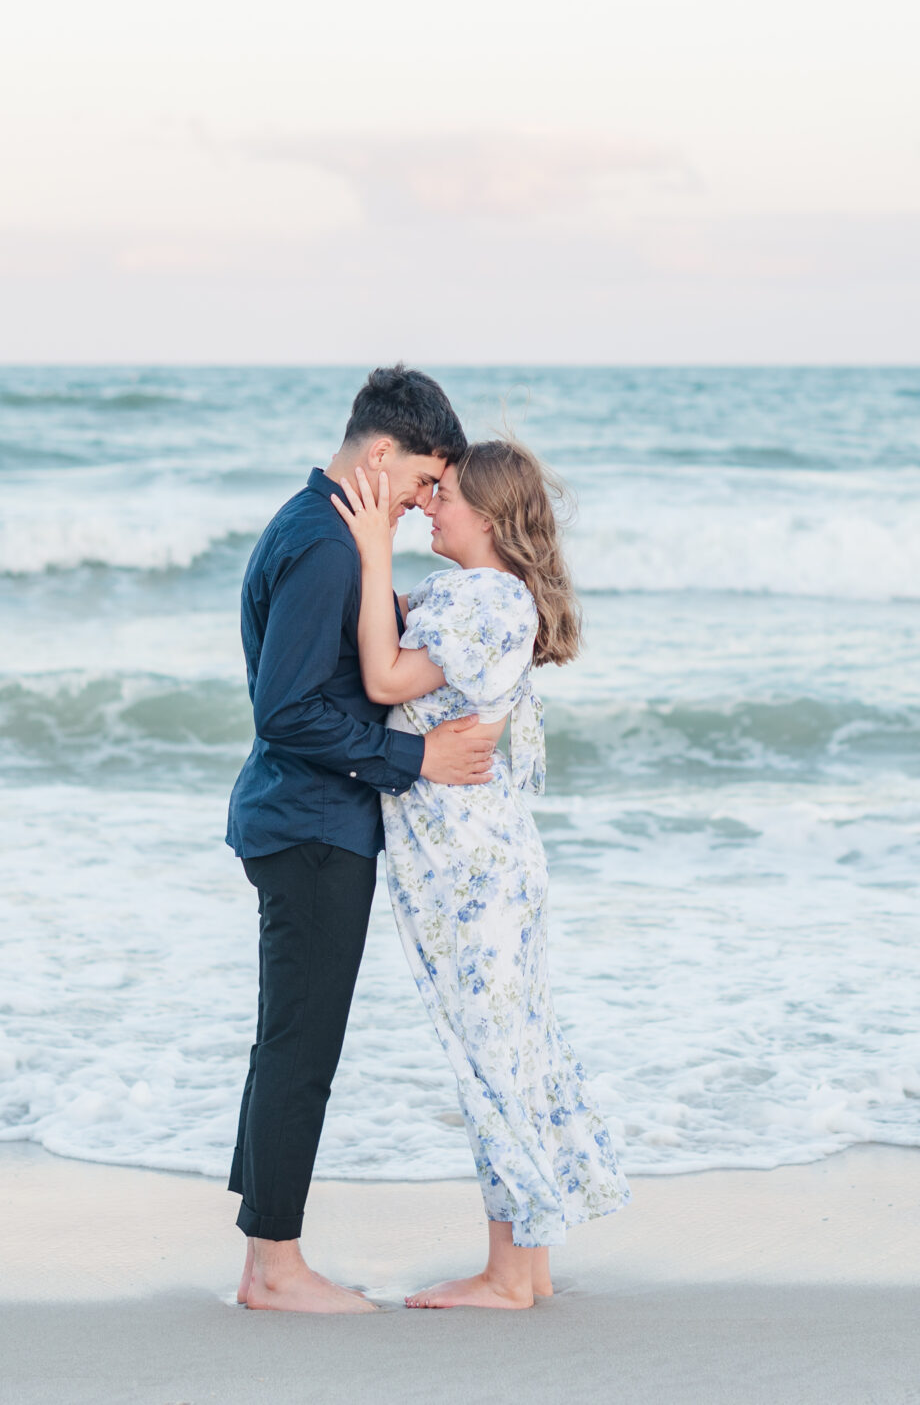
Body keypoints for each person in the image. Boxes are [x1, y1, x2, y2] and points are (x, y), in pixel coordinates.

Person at [224, 365, 502, 1316]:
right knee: (303, 1044)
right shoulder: (327, 547)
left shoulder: (332, 531)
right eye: (427, 479)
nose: (432, 499)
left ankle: (264, 1257)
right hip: (309, 823)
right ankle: (276, 1267)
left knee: (289, 1039)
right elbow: (289, 710)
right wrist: (413, 757)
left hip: (308, 819)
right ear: (379, 454)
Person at [334, 439, 630, 1310]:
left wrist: (372, 546)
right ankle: (527, 1266)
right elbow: (392, 636)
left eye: (447, 494)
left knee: (493, 1058)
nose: (431, 503)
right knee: (513, 1052)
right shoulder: (478, 595)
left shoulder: (487, 597)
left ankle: (506, 1273)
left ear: (491, 519)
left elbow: (386, 676)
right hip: (479, 854)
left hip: (468, 862)